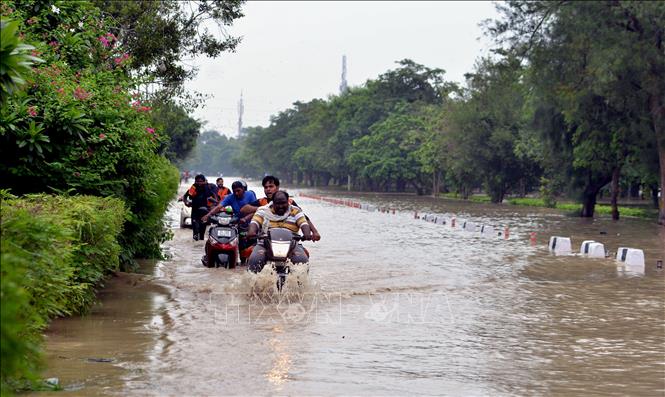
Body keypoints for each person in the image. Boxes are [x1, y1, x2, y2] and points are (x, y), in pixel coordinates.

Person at [240, 175, 321, 241]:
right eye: (266, 187)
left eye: (271, 186)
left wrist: (314, 232)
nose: (268, 189)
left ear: (277, 187)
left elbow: (303, 218)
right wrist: (264, 209)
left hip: (288, 238)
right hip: (267, 238)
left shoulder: (290, 202)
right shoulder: (262, 202)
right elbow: (244, 209)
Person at [246, 190, 311, 273]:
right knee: (255, 259)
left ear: (288, 202)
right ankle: (252, 283)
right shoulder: (263, 210)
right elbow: (254, 222)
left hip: (292, 245)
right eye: (277, 203)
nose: (281, 206)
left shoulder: (295, 211)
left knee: (302, 261)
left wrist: (307, 234)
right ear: (273, 203)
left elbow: (304, 223)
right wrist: (251, 231)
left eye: (283, 203)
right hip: (265, 244)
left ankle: (300, 285)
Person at [179, 174, 218, 241]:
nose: (199, 183)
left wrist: (214, 204)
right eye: (198, 181)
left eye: (201, 181)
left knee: (202, 232)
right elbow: (185, 196)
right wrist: (186, 202)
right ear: (195, 181)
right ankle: (195, 244)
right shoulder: (193, 187)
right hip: (195, 210)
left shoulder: (207, 187)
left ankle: (200, 245)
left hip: (204, 211)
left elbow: (215, 197)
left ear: (204, 181)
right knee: (195, 230)